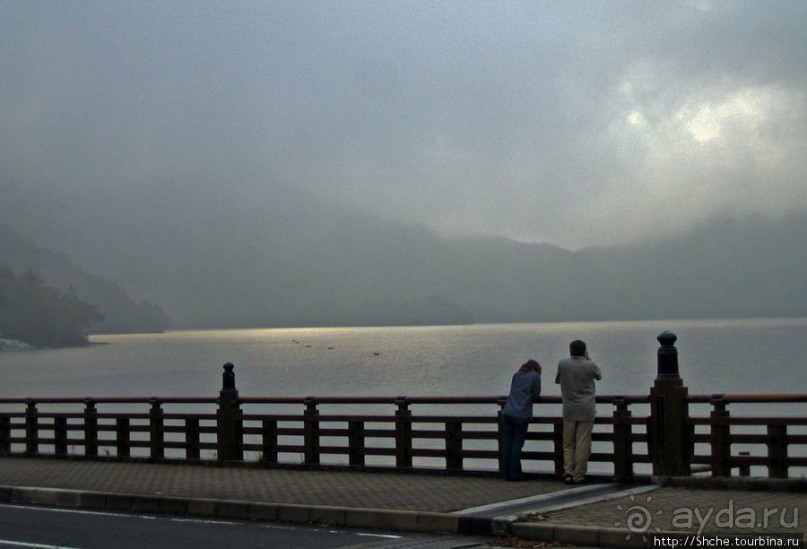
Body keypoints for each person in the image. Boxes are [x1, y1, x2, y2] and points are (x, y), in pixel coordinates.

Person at [555, 340, 602, 484]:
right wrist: (588, 359)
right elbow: (599, 375)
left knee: (568, 443)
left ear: (570, 350)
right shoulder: (590, 365)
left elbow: (558, 380)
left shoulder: (563, 364)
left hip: (569, 408)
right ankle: (579, 475)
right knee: (582, 442)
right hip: (586, 408)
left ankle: (568, 472)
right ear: (584, 351)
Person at [500, 359, 542, 481]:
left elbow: (512, 392)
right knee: (517, 444)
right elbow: (536, 395)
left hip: (507, 412)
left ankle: (506, 473)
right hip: (521, 414)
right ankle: (515, 475)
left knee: (507, 443)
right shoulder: (535, 376)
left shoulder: (516, 375)